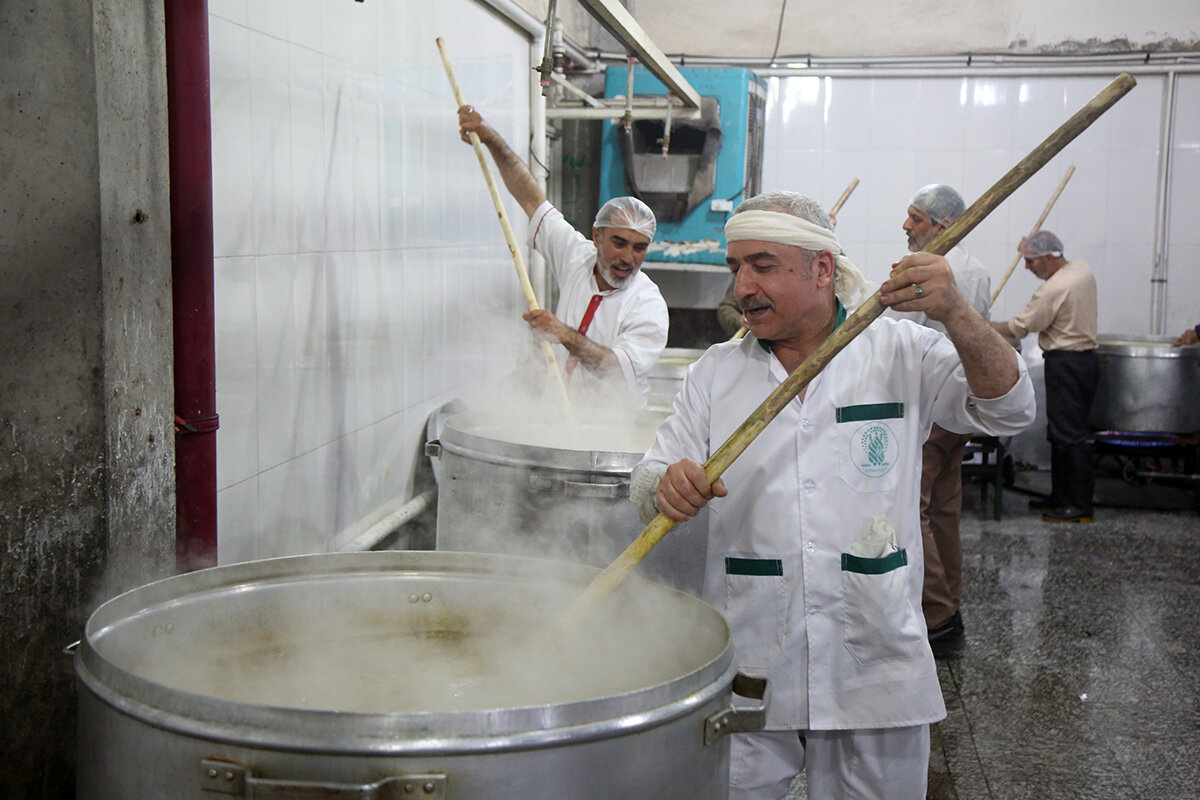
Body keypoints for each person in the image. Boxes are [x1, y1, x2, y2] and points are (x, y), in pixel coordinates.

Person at [631, 191, 1035, 800]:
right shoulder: (716, 371)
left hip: (873, 649)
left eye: (762, 265)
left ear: (822, 269)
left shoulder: (902, 351)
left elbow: (1011, 409)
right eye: (735, 267)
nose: (742, 286)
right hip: (754, 648)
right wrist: (664, 485)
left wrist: (956, 312)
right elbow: (648, 479)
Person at [458, 105, 668, 406]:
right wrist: (490, 138)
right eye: (619, 243)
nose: (628, 258)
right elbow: (530, 197)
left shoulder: (647, 304)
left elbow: (616, 372)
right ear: (597, 237)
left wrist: (563, 335)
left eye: (639, 248)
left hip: (614, 424)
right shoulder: (577, 257)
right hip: (559, 414)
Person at [898, 184, 993, 656]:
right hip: (961, 404)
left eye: (916, 218)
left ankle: (936, 618)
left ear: (943, 226)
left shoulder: (931, 270)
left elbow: (903, 337)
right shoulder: (976, 269)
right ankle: (949, 607)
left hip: (930, 405)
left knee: (913, 507)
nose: (906, 226)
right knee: (943, 509)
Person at [991, 230, 1098, 523]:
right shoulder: (1081, 269)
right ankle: (1061, 497)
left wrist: (982, 324)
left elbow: (1020, 327)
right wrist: (1029, 247)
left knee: (1070, 436)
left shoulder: (1054, 289)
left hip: (1067, 364)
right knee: (1062, 432)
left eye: (1031, 261)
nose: (1027, 267)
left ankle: (1078, 506)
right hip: (1085, 363)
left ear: (1050, 257)